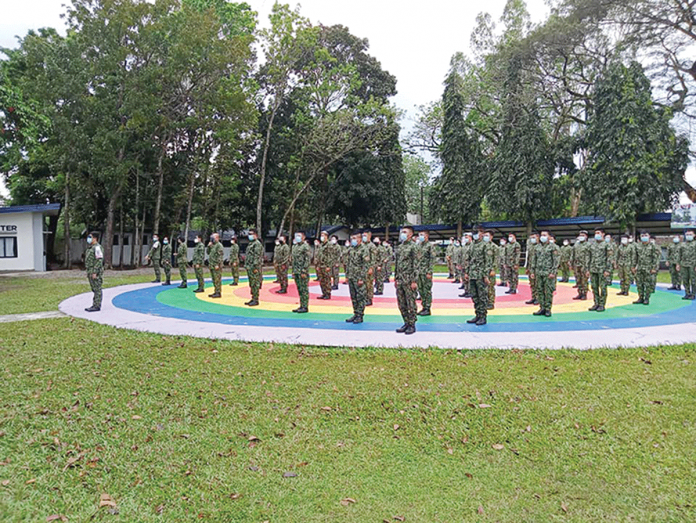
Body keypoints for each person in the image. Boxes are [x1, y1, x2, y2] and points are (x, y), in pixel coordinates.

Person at [394, 226, 419, 334]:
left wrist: (414, 281)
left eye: (404, 232)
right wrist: (396, 278)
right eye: (401, 232)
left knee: (410, 303)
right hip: (400, 279)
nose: (402, 234)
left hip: (409, 279)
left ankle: (412, 324)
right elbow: (397, 264)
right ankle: (406, 322)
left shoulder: (414, 247)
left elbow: (416, 265)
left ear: (410, 234)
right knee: (401, 303)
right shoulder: (400, 247)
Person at [466, 227, 493, 326]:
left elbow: (488, 262)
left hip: (481, 275)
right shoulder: (472, 244)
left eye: (476, 233)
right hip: (472, 274)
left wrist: (486, 275)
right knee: (475, 296)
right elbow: (469, 259)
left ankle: (483, 316)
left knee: (482, 297)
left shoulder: (485, 246)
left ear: (482, 233)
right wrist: (467, 272)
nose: (475, 235)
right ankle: (477, 314)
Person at [530, 230, 560, 317]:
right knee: (539, 290)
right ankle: (542, 307)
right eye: (541, 235)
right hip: (539, 272)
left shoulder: (554, 247)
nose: (542, 236)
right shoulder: (537, 247)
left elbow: (556, 261)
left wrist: (553, 272)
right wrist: (532, 271)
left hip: (548, 273)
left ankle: (548, 309)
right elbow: (533, 260)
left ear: (549, 237)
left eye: (545, 235)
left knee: (548, 291)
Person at [346, 232, 370, 324]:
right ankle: (355, 313)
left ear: (360, 239)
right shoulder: (351, 249)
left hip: (359, 277)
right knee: (353, 296)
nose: (353, 240)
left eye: (355, 238)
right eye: (352, 238)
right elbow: (349, 263)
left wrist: (362, 278)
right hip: (352, 276)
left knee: (360, 296)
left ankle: (360, 315)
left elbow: (365, 265)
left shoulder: (364, 249)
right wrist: (347, 275)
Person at [587, 228, 613, 312]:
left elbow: (610, 258)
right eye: (595, 233)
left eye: (598, 233)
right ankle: (596, 303)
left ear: (603, 234)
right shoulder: (592, 245)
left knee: (603, 287)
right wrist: (587, 269)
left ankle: (602, 304)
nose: (596, 235)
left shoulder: (607, 245)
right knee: (594, 287)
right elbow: (588, 257)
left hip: (602, 270)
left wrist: (608, 270)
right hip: (593, 269)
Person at [632, 230, 660, 305]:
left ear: (649, 236)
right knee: (639, 283)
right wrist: (633, 266)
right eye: (642, 236)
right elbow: (635, 257)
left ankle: (647, 298)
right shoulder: (638, 246)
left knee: (648, 284)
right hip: (640, 268)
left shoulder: (653, 246)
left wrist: (654, 268)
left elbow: (656, 258)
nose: (644, 237)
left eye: (645, 235)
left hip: (649, 268)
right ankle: (640, 297)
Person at [416, 230, 434, 316]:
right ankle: (423, 307)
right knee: (420, 289)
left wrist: (429, 272)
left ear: (427, 236)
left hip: (426, 271)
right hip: (419, 271)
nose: (420, 237)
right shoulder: (418, 245)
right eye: (419, 235)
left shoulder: (430, 246)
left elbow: (432, 260)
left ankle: (427, 308)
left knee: (427, 290)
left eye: (422, 235)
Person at [84, 231, 104, 312]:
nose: (88, 239)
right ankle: (94, 304)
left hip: (94, 271)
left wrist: (95, 272)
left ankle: (96, 305)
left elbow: (99, 260)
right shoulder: (91, 248)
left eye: (90, 237)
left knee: (97, 288)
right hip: (90, 270)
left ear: (95, 238)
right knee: (94, 288)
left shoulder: (97, 247)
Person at [291, 232, 311, 313]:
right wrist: (293, 271)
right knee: (299, 289)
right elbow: (293, 260)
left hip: (302, 272)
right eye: (296, 236)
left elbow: (307, 260)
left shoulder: (305, 246)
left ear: (303, 237)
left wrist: (304, 271)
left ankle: (305, 306)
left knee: (304, 290)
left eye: (299, 236)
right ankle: (301, 305)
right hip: (296, 271)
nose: (297, 237)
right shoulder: (295, 246)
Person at [245, 228, 263, 306]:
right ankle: (253, 298)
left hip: (254, 267)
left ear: (256, 235)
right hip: (250, 267)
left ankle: (256, 299)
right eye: (249, 234)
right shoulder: (251, 244)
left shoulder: (257, 244)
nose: (250, 235)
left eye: (251, 234)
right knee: (252, 283)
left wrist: (255, 267)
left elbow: (257, 256)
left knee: (255, 283)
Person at [677, 230, 696, 300]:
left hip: (693, 265)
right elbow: (679, 255)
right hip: (684, 265)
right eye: (687, 234)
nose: (688, 236)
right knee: (685, 280)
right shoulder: (682, 244)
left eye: (690, 234)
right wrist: (678, 264)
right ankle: (687, 293)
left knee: (693, 280)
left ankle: (693, 294)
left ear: (694, 235)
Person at [572, 230, 590, 300]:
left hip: (584, 265)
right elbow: (573, 254)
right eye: (580, 235)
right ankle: (579, 293)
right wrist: (571, 262)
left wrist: (588, 267)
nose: (581, 237)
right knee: (578, 279)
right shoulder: (576, 244)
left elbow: (590, 256)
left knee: (584, 280)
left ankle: (584, 294)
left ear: (586, 236)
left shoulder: (588, 245)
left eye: (583, 235)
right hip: (577, 264)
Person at [315, 231, 333, 300]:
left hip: (326, 265)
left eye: (323, 235)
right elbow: (318, 255)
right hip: (320, 265)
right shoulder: (320, 245)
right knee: (321, 280)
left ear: (326, 236)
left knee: (327, 280)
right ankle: (323, 293)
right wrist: (317, 265)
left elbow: (330, 256)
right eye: (321, 235)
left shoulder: (329, 245)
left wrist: (329, 266)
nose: (322, 236)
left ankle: (328, 293)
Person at [207, 233, 224, 298]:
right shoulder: (212, 245)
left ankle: (218, 292)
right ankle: (215, 291)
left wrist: (217, 264)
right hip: (212, 264)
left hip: (216, 265)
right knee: (214, 279)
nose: (212, 239)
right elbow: (208, 253)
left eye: (213, 238)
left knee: (217, 279)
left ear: (217, 238)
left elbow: (220, 256)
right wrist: (209, 246)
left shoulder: (219, 245)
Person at [525, 233, 540, 306]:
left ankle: (538, 298)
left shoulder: (540, 247)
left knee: (538, 284)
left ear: (538, 237)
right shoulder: (531, 247)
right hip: (531, 268)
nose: (532, 239)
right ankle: (533, 297)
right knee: (532, 284)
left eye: (534, 237)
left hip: (538, 268)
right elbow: (528, 258)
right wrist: (527, 268)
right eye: (531, 238)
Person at [485, 232, 498, 309]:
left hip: (490, 270)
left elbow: (496, 259)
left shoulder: (494, 247)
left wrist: (493, 269)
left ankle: (491, 302)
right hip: (482, 270)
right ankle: (485, 302)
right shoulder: (482, 246)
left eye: (487, 236)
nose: (485, 237)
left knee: (490, 287)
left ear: (491, 237)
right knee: (483, 288)